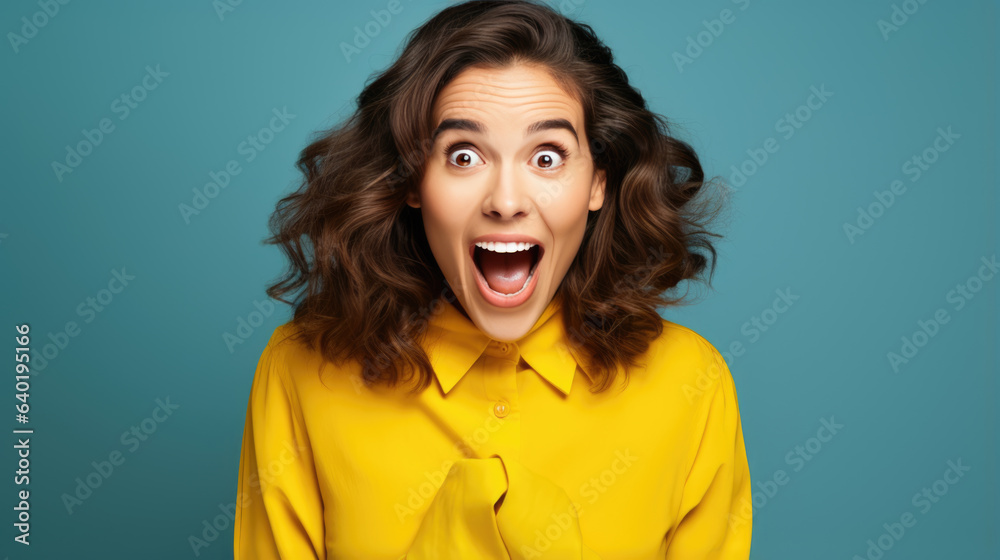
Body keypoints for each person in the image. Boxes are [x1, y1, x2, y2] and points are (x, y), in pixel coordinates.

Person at [234, 1, 751, 558]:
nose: (506, 202)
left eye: (547, 157)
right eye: (463, 155)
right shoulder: (300, 371)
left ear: (597, 184)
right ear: (412, 181)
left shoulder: (691, 384)